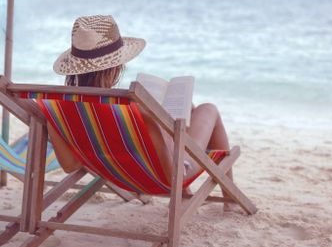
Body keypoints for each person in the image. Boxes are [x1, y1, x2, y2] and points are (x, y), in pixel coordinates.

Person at [49, 15, 234, 209]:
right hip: (170, 177)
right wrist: (159, 121)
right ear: (116, 68)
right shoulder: (133, 111)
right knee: (208, 109)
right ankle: (230, 198)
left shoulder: (59, 111)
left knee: (191, 108)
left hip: (121, 174)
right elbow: (171, 174)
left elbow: (69, 165)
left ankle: (186, 195)